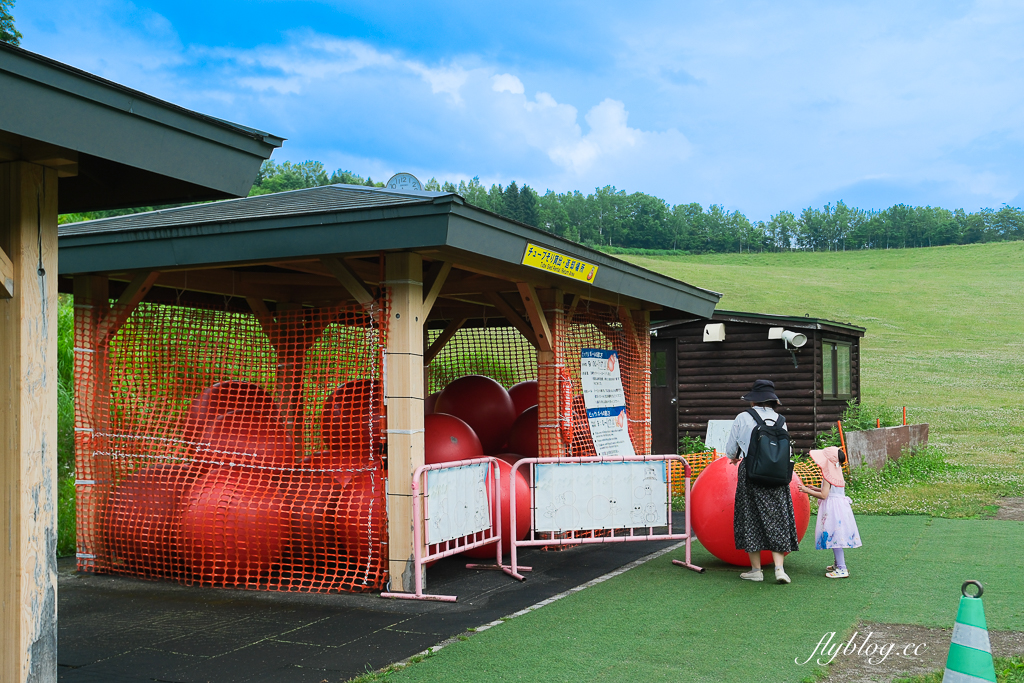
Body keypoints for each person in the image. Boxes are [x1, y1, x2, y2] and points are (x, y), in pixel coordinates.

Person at [726, 379, 800, 584]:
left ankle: (756, 570)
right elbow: (788, 451)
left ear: (754, 401)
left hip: (751, 473)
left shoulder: (743, 417)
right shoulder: (780, 419)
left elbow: (731, 450)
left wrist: (735, 457)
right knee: (777, 518)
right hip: (777, 475)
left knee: (750, 518)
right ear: (773, 401)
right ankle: (779, 569)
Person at [798, 446, 862, 578]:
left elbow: (824, 495)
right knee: (836, 536)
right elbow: (831, 491)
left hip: (833, 510)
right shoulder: (837, 472)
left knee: (835, 537)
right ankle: (838, 564)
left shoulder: (828, 476)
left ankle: (842, 568)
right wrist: (815, 488)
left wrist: (806, 490)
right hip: (839, 508)